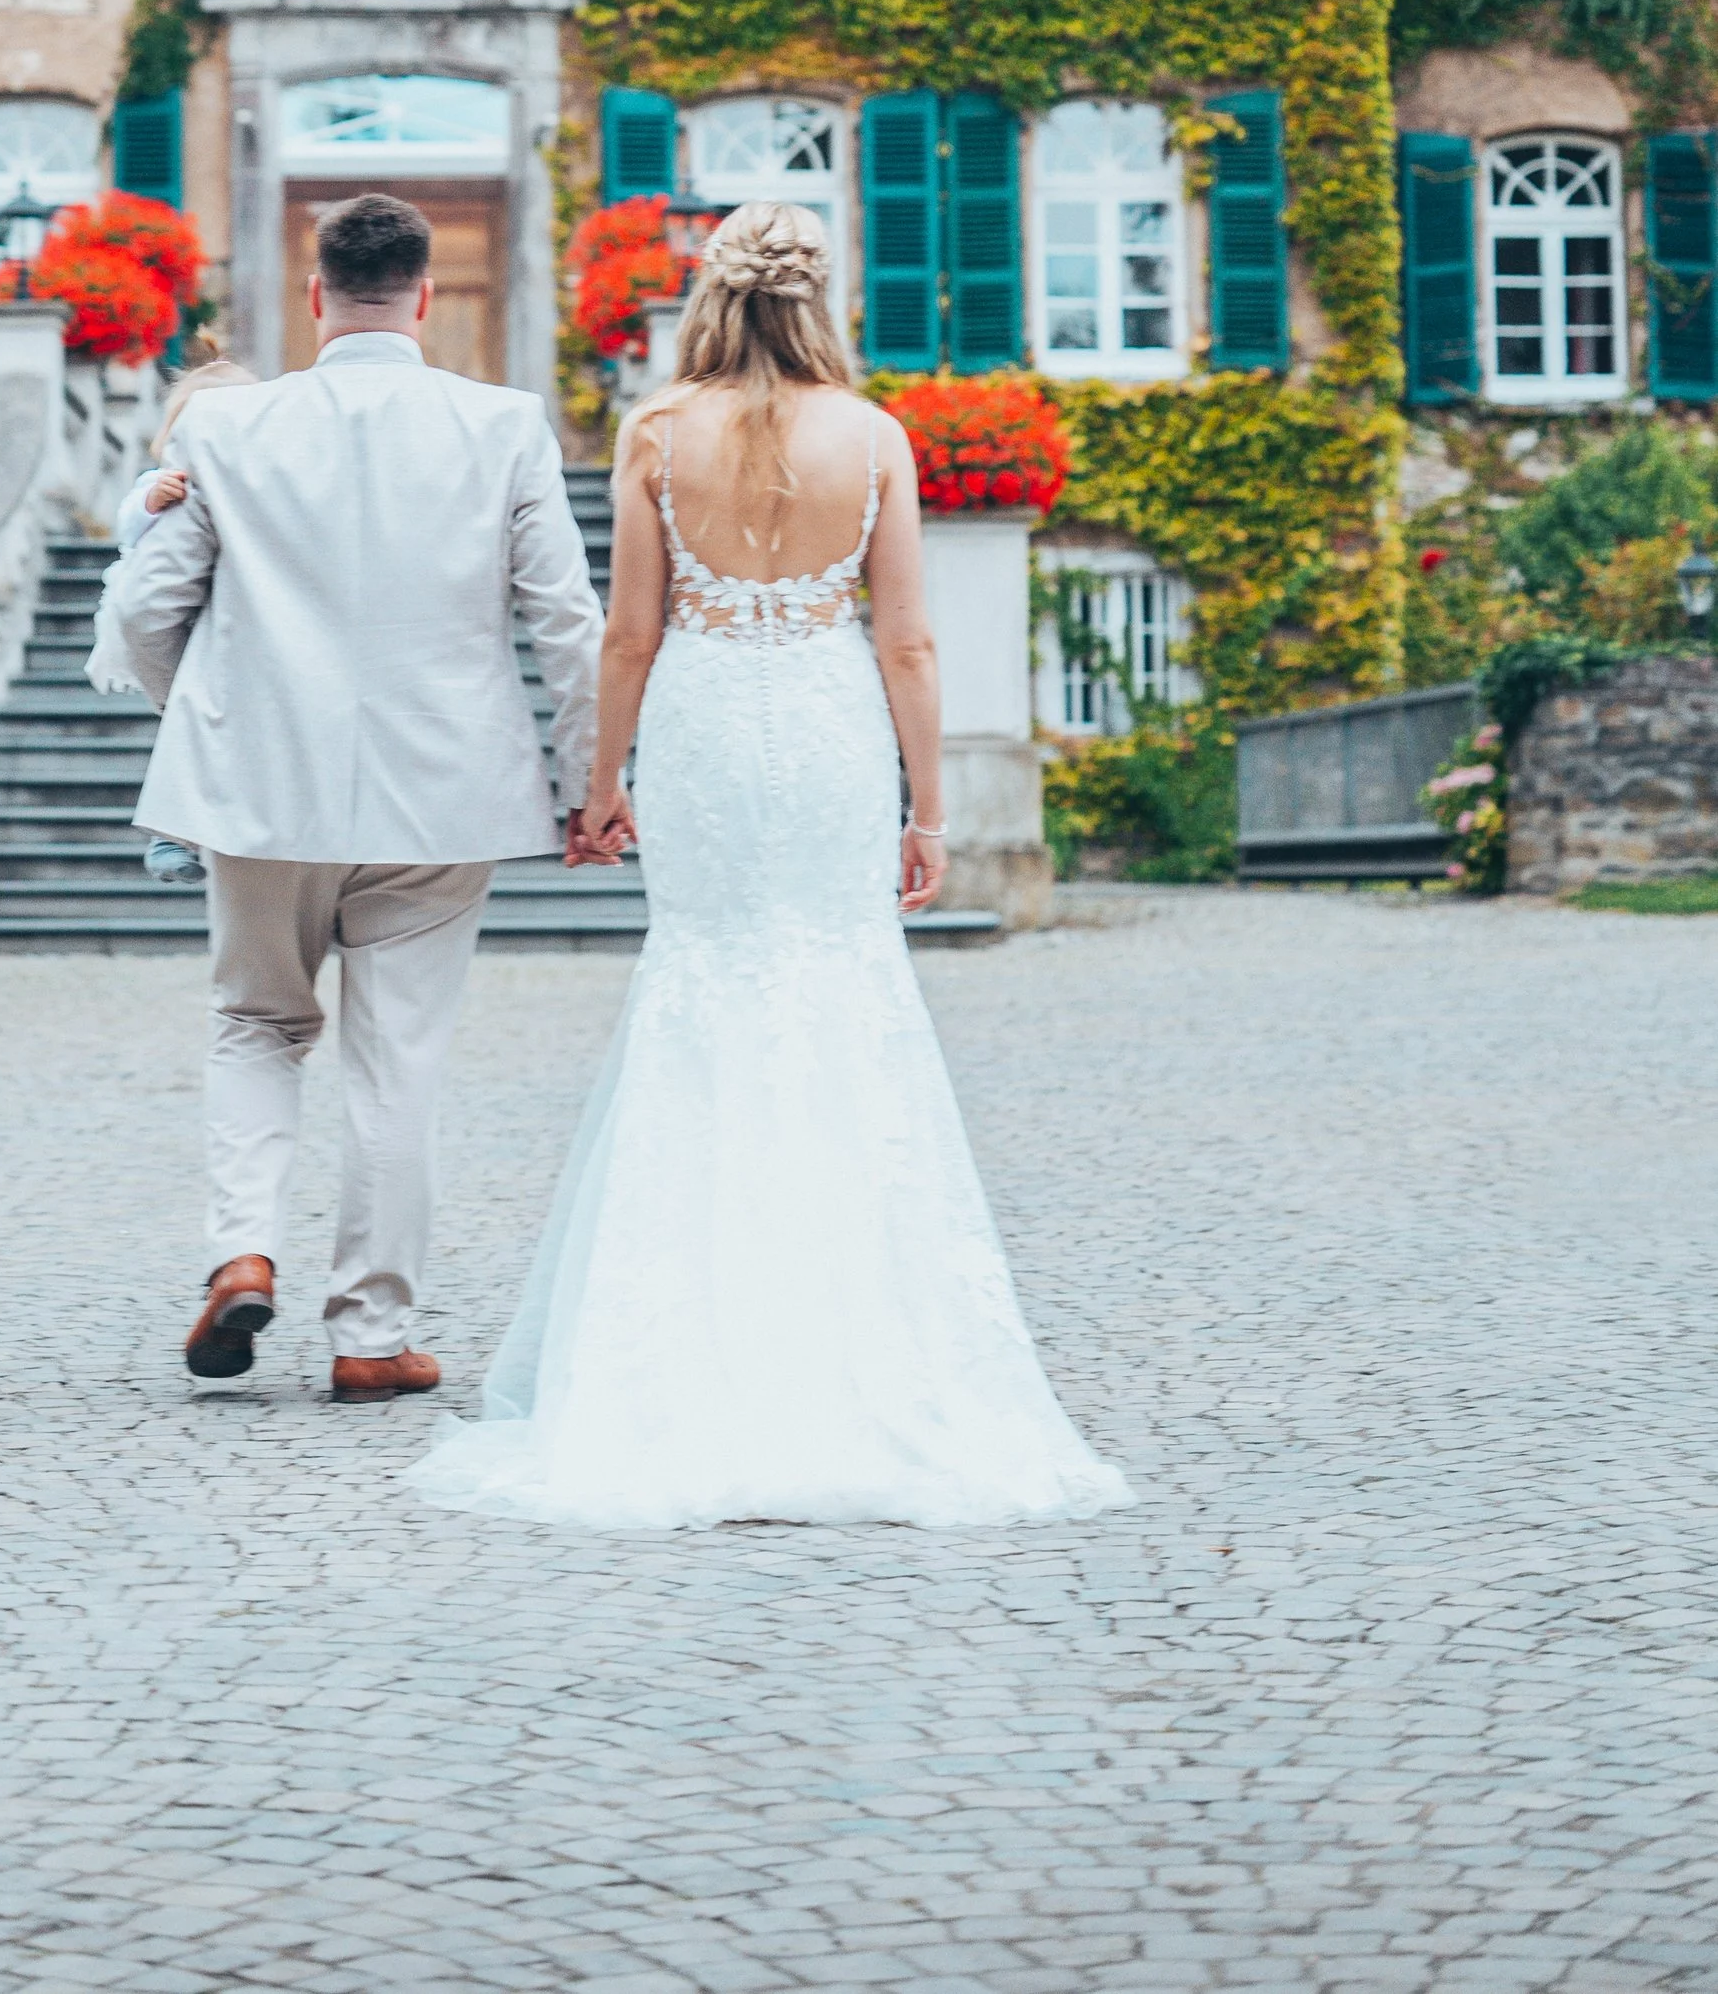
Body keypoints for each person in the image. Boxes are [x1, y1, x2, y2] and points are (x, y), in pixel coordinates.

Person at [408, 199, 1129, 1533]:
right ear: (818, 299)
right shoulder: (876, 437)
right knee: (844, 990)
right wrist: (928, 809)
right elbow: (909, 643)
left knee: (702, 985)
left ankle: (680, 1351)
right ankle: (862, 1335)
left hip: (703, 737)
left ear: (710, 296)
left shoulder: (655, 435)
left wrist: (603, 782)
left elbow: (628, 636)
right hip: (823, 733)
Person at [105, 191, 603, 1400]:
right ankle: (372, 1339)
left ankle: (241, 1254)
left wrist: (207, 718)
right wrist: (593, 787)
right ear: (425, 297)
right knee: (399, 1067)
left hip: (260, 794)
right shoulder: (505, 425)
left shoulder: (231, 429)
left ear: (315, 296)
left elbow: (137, 611)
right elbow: (566, 626)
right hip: (442, 799)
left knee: (255, 1023)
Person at [83, 351, 260, 888]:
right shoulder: (163, 480)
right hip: (181, 625)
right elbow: (127, 529)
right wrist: (152, 504)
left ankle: (191, 827)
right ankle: (170, 833)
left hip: (225, 624)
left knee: (201, 730)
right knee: (183, 727)